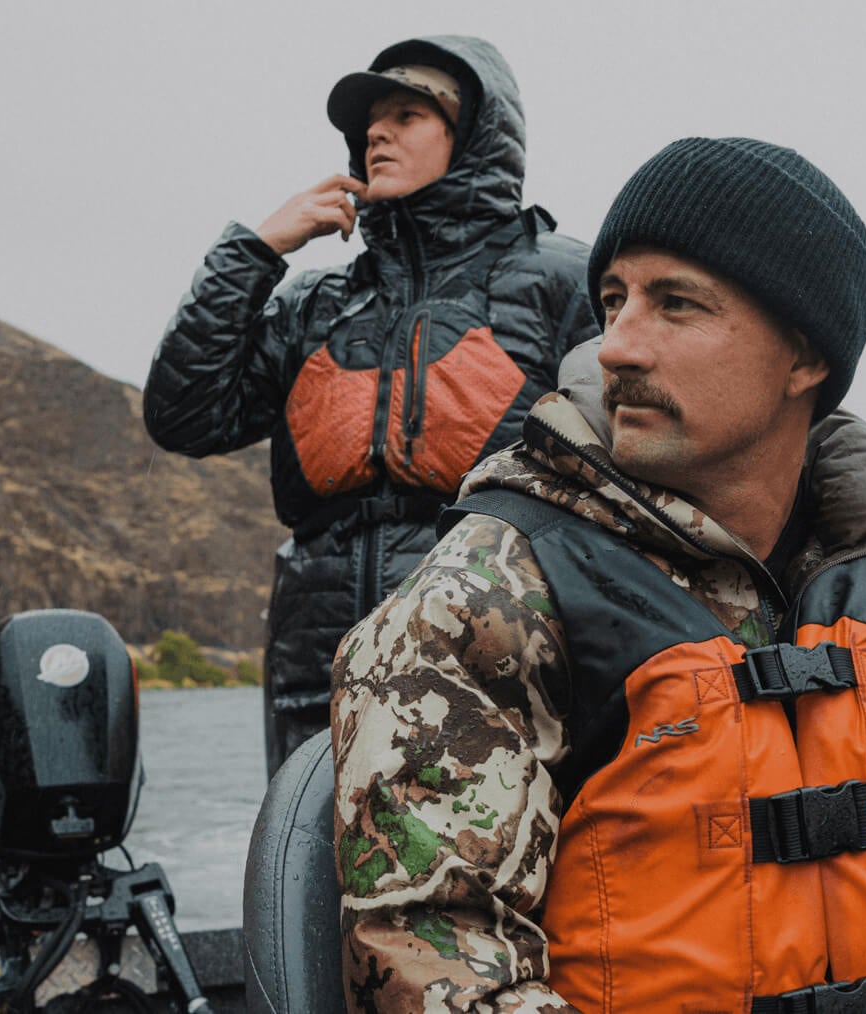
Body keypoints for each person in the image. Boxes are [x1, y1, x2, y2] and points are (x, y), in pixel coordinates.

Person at [331, 138, 866, 1012]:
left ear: (805, 358)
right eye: (613, 302)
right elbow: (436, 967)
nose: (615, 347)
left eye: (677, 305)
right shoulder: (482, 600)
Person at [144, 36, 597, 775]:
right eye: (368, 125)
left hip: (493, 656)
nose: (375, 134)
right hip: (312, 665)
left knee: (480, 879)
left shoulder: (566, 280)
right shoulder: (312, 303)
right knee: (308, 879)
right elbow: (185, 415)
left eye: (406, 114)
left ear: (475, 133)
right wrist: (255, 253)